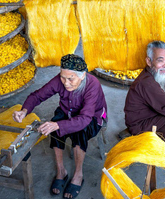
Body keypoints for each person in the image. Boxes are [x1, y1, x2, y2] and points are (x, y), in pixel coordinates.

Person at [13, 54, 107, 199]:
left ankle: (78, 175)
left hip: (91, 117)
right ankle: (61, 171)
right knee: (55, 131)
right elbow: (38, 96)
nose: (65, 82)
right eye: (63, 77)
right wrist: (24, 111)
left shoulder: (92, 85)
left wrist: (58, 124)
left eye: (71, 78)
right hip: (67, 111)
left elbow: (84, 119)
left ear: (82, 76)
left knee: (79, 134)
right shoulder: (60, 80)